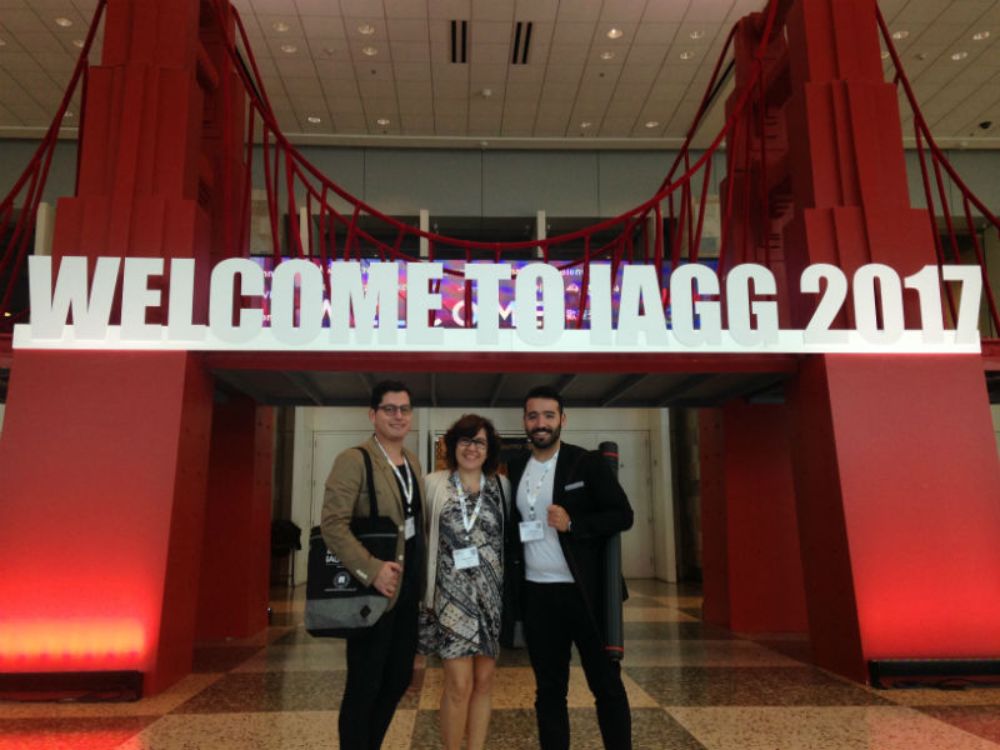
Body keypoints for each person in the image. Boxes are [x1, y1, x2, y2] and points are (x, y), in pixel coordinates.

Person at [505, 385, 634, 750]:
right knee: (548, 690)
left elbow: (622, 515)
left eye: (548, 415)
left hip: (585, 593)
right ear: (525, 421)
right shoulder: (516, 466)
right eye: (533, 416)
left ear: (562, 419)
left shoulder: (586, 462)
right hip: (538, 596)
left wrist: (574, 523)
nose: (540, 423)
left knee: (606, 686)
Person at [321, 380, 424, 750]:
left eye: (404, 409)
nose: (398, 416)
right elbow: (332, 524)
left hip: (406, 590)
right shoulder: (354, 459)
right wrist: (371, 569)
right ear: (373, 415)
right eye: (389, 409)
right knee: (364, 684)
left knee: (397, 679)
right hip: (371, 591)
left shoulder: (411, 460)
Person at [419, 414, 511, 750]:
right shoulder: (433, 483)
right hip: (451, 601)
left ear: (490, 450)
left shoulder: (502, 486)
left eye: (480, 442)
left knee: (484, 682)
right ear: (453, 444)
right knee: (458, 685)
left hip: (491, 599)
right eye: (465, 441)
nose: (472, 448)